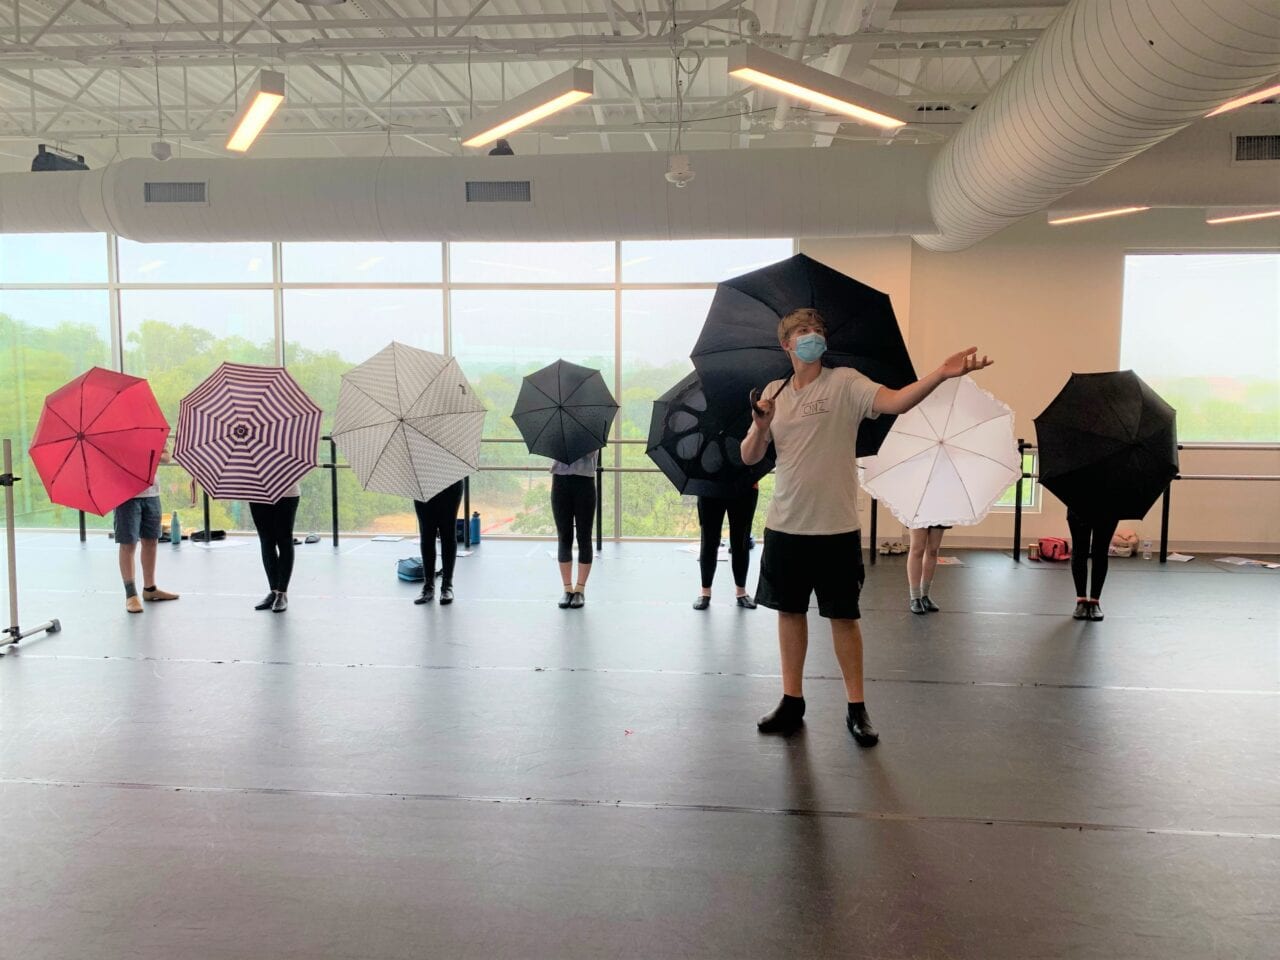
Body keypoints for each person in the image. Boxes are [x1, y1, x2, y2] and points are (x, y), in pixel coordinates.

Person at [741, 307, 991, 746]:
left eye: (819, 329)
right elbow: (749, 456)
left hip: (835, 527)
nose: (813, 336)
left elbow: (896, 401)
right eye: (804, 331)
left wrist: (941, 373)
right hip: (785, 525)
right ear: (787, 344)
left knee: (844, 618)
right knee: (790, 613)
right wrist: (761, 427)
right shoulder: (772, 394)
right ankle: (792, 700)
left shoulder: (845, 382)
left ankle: (856, 707)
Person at [114, 441, 179, 614]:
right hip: (125, 494)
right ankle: (131, 595)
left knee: (151, 541)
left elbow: (166, 457)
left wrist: (146, 453)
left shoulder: (151, 432)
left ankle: (150, 589)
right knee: (128, 543)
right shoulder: (116, 434)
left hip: (152, 493)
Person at [693, 483, 759, 610]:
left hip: (744, 485)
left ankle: (741, 592)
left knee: (741, 541)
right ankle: (705, 592)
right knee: (709, 540)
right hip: (709, 485)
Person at [551, 450, 598, 609]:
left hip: (584, 481)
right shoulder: (558, 432)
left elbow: (591, 454)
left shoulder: (591, 433)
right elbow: (552, 450)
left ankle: (580, 589)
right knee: (564, 536)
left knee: (584, 536)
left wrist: (576, 442)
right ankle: (567, 589)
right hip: (559, 480)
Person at [249, 482, 301, 613]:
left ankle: (282, 593)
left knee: (284, 540)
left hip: (286, 492)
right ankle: (274, 591)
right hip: (257, 493)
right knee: (266, 541)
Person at [412, 479, 465, 606]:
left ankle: (447, 586)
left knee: (448, 534)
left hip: (450, 483)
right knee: (426, 535)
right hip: (423, 484)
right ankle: (428, 586)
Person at [1066, 508, 1120, 621]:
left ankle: (1095, 601)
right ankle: (1081, 600)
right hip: (1079, 504)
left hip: (1108, 507)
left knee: (1101, 552)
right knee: (1079, 551)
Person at [907, 525, 949, 614]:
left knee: (933, 550)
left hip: (938, 516)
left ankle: (925, 596)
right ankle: (915, 597)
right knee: (917, 549)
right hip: (918, 516)